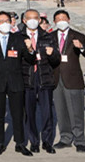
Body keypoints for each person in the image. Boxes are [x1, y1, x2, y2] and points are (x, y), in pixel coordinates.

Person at [0, 11, 36, 156]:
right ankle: (0, 142)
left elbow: (30, 60)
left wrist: (30, 48)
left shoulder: (19, 39)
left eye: (7, 20)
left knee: (18, 114)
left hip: (16, 82)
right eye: (1, 21)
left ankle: (20, 143)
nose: (5, 23)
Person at [20, 9, 61, 154]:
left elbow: (57, 59)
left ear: (39, 20)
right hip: (27, 78)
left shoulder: (47, 36)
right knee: (29, 113)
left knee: (47, 112)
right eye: (29, 18)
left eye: (35, 18)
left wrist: (53, 54)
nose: (33, 20)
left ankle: (47, 141)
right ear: (24, 20)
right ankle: (34, 141)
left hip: (44, 77)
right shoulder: (19, 36)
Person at [52, 10, 85, 153]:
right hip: (56, 78)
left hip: (73, 78)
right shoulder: (50, 36)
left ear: (68, 20)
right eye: (58, 19)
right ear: (54, 22)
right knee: (61, 110)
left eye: (63, 18)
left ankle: (80, 140)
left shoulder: (78, 35)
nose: (61, 20)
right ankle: (65, 138)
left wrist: (81, 47)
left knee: (76, 111)